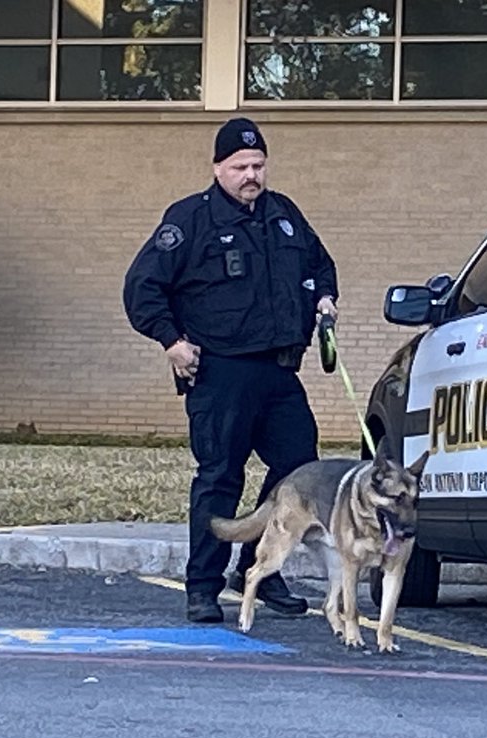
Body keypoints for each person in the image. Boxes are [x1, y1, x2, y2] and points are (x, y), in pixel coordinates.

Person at [123, 117, 339, 623]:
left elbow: (319, 265)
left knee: (298, 470)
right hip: (220, 372)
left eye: (258, 165)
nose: (251, 175)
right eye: (240, 166)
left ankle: (258, 570)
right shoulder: (190, 220)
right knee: (221, 477)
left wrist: (326, 297)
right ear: (218, 167)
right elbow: (142, 288)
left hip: (279, 370)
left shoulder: (283, 215)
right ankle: (202, 585)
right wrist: (171, 342)